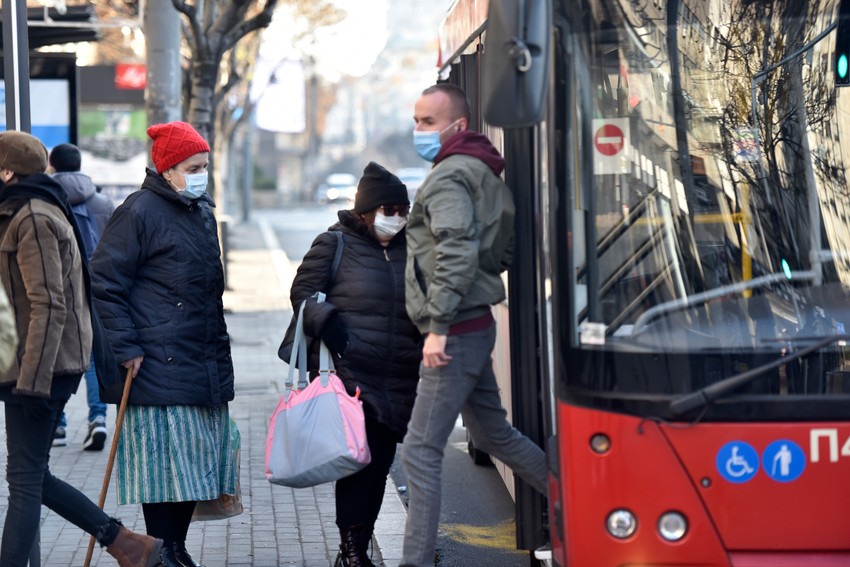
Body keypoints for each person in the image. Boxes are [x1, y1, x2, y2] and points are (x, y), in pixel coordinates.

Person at [400, 83, 549, 567]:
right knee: (493, 435)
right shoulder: (481, 170)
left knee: (421, 451)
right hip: (474, 323)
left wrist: (438, 326)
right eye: (417, 120)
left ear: (457, 126)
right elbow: (495, 249)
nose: (419, 130)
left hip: (455, 331)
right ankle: (582, 502)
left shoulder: (448, 178)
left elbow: (456, 253)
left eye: (427, 122)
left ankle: (415, 561)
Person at [0, 130, 162, 566]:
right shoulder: (23, 209)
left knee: (24, 480)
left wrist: (32, 383)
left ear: (7, 170)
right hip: (34, 366)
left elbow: (49, 303)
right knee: (33, 476)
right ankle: (127, 544)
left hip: (41, 370)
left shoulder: (33, 215)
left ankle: (126, 543)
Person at [90, 121, 236, 567]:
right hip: (155, 360)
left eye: (204, 166)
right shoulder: (138, 212)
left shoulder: (201, 212)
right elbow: (104, 281)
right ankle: (162, 549)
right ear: (168, 169)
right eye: (193, 166)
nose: (201, 174)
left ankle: (177, 547)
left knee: (193, 466)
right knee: (162, 470)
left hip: (201, 353)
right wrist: (127, 346)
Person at [285, 162, 422, 567]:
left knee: (379, 465)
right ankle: (351, 549)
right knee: (358, 462)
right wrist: (333, 329)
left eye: (402, 210)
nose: (396, 219)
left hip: (399, 372)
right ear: (367, 210)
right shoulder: (334, 243)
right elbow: (303, 293)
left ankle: (356, 545)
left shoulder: (412, 247)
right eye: (388, 210)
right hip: (351, 374)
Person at [49, 142, 115, 450]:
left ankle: (58, 425)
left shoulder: (46, 199)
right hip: (99, 289)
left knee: (54, 353)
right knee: (91, 357)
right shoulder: (102, 201)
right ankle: (98, 419)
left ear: (52, 165)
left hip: (60, 288)